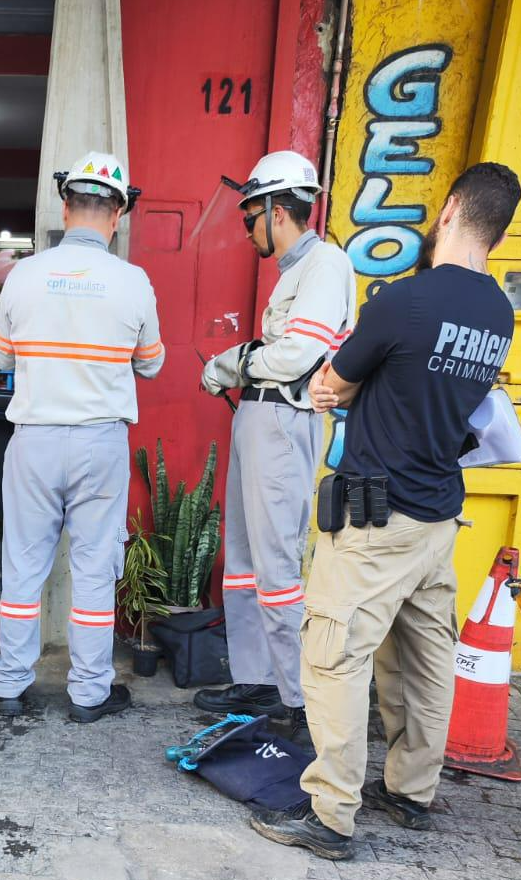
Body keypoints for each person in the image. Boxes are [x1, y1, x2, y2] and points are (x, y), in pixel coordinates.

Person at [251, 163, 521, 859]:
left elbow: (328, 385)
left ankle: (331, 816)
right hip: (437, 520)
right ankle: (409, 794)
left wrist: (345, 389)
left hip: (377, 521)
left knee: (335, 657)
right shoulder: (498, 311)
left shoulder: (404, 302)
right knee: (424, 660)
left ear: (454, 207)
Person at [0, 150, 164, 723]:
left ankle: (11, 684)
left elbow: (1, 355)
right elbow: (152, 364)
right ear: (117, 213)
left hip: (34, 439)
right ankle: (89, 693)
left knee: (23, 565)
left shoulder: (24, 275)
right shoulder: (133, 282)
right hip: (99, 443)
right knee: (93, 568)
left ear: (66, 207)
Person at [197, 151, 357, 745]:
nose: (246, 230)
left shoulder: (325, 265)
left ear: (275, 209)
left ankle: (297, 699)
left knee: (278, 566)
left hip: (283, 422)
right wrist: (240, 367)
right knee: (242, 557)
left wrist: (228, 362)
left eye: (249, 218)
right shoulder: (297, 269)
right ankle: (256, 679)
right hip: (260, 420)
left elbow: (295, 356)